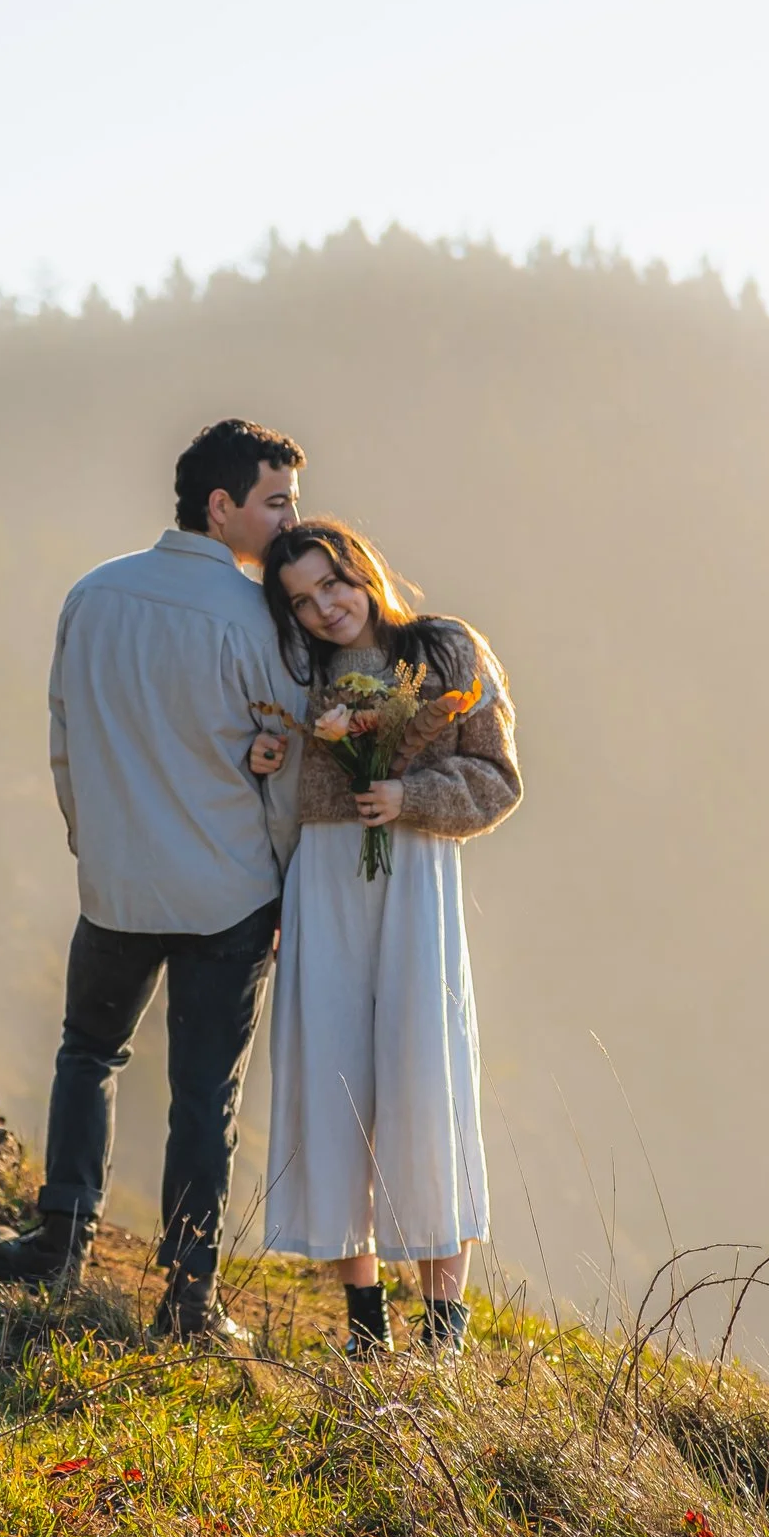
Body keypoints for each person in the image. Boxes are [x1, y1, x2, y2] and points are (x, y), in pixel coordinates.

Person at [0, 418, 307, 1347]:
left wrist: (94, 844)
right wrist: (283, 885)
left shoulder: (93, 593)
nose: (290, 519)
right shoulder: (255, 619)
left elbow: (63, 736)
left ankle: (58, 1244)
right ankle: (188, 1301)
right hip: (227, 894)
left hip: (115, 884)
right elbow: (280, 769)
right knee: (206, 1097)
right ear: (221, 505)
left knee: (89, 1053)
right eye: (276, 500)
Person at [249, 520, 521, 1356]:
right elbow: (287, 783)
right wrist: (267, 760)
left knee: (425, 1079)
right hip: (324, 879)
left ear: (361, 570)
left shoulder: (445, 652)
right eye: (300, 600)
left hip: (416, 881)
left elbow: (500, 777)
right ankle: (366, 1326)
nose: (324, 607)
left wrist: (411, 795)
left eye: (332, 583)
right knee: (335, 1088)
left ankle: (444, 1335)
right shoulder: (299, 673)